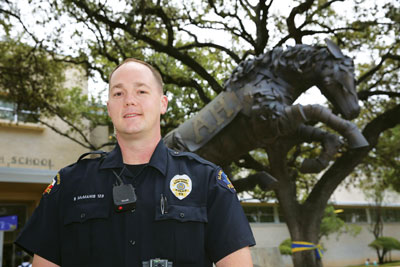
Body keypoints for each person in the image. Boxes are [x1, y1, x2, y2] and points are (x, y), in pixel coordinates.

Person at [15, 58, 255, 266]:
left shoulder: (207, 181)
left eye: (141, 91)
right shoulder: (69, 184)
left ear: (163, 104)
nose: (129, 100)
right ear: (109, 108)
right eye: (118, 93)